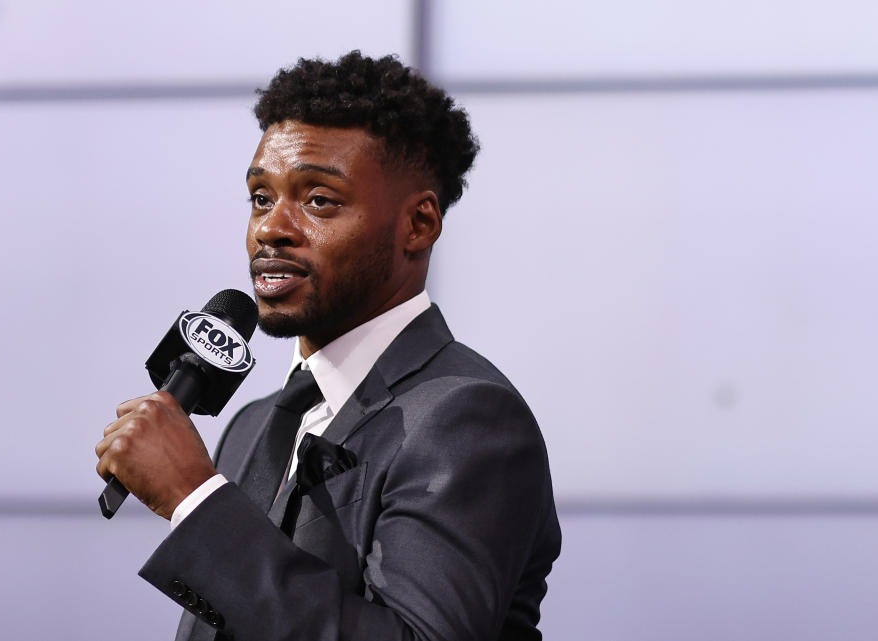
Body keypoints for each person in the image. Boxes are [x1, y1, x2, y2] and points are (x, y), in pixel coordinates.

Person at [95, 51, 560, 641]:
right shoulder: (251, 426)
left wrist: (194, 499)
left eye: (318, 200)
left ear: (418, 225)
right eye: (261, 197)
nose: (271, 228)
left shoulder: (465, 418)